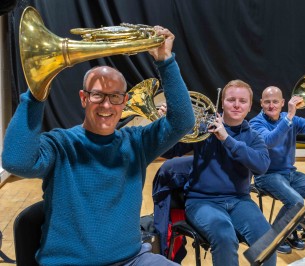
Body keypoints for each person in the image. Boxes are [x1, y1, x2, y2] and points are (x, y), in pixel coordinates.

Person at [1, 27, 195, 266]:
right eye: (98, 95)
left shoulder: (137, 142)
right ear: (83, 98)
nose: (107, 105)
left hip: (132, 260)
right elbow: (16, 161)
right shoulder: (61, 144)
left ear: (124, 101)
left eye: (115, 97)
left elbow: (183, 122)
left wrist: (165, 60)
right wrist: (36, 92)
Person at [161, 80, 277, 266]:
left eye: (242, 101)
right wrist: (168, 124)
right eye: (231, 100)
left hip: (240, 201)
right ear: (222, 103)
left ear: (249, 107)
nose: (237, 105)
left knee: (269, 241)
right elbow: (168, 152)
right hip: (202, 201)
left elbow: (261, 165)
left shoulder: (253, 136)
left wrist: (226, 139)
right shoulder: (203, 128)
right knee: (224, 236)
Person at [249, 86, 305, 254]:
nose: (271, 105)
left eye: (275, 102)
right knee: (296, 202)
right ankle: (273, 237)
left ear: (282, 103)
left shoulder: (290, 119)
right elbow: (269, 141)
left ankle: (290, 230)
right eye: (267, 102)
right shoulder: (255, 123)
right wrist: (289, 116)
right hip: (267, 175)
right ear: (261, 103)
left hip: (290, 173)